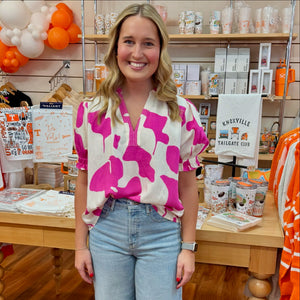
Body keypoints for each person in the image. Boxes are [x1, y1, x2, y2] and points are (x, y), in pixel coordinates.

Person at [74, 3, 209, 300]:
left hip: (161, 234)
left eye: (148, 43)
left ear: (160, 50)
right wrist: (80, 245)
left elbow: (188, 187)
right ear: (115, 48)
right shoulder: (91, 112)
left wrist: (188, 248)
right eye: (129, 42)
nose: (137, 53)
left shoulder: (181, 112)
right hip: (106, 232)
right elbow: (83, 181)